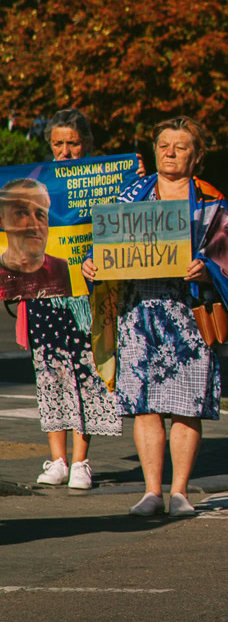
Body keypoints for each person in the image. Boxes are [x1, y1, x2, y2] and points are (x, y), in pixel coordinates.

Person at [86, 117, 228, 516]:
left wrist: (207, 268)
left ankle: (179, 491)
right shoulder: (130, 197)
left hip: (189, 315)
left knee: (187, 403)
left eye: (180, 147)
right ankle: (150, 492)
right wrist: (94, 263)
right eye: (163, 145)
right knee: (144, 403)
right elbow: (105, 245)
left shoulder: (212, 202)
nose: (170, 152)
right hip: (138, 310)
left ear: (196, 156)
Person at [29, 109, 120, 490]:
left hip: (88, 292)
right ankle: (58, 459)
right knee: (50, 371)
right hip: (44, 292)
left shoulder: (105, 182)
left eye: (73, 143)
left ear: (87, 144)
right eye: (58, 144)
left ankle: (81, 461)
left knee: (88, 370)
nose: (65, 151)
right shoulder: (35, 180)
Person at [1, 178, 72, 300]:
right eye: (21, 213)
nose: (34, 225)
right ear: (2, 220)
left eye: (40, 215)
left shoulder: (61, 268)